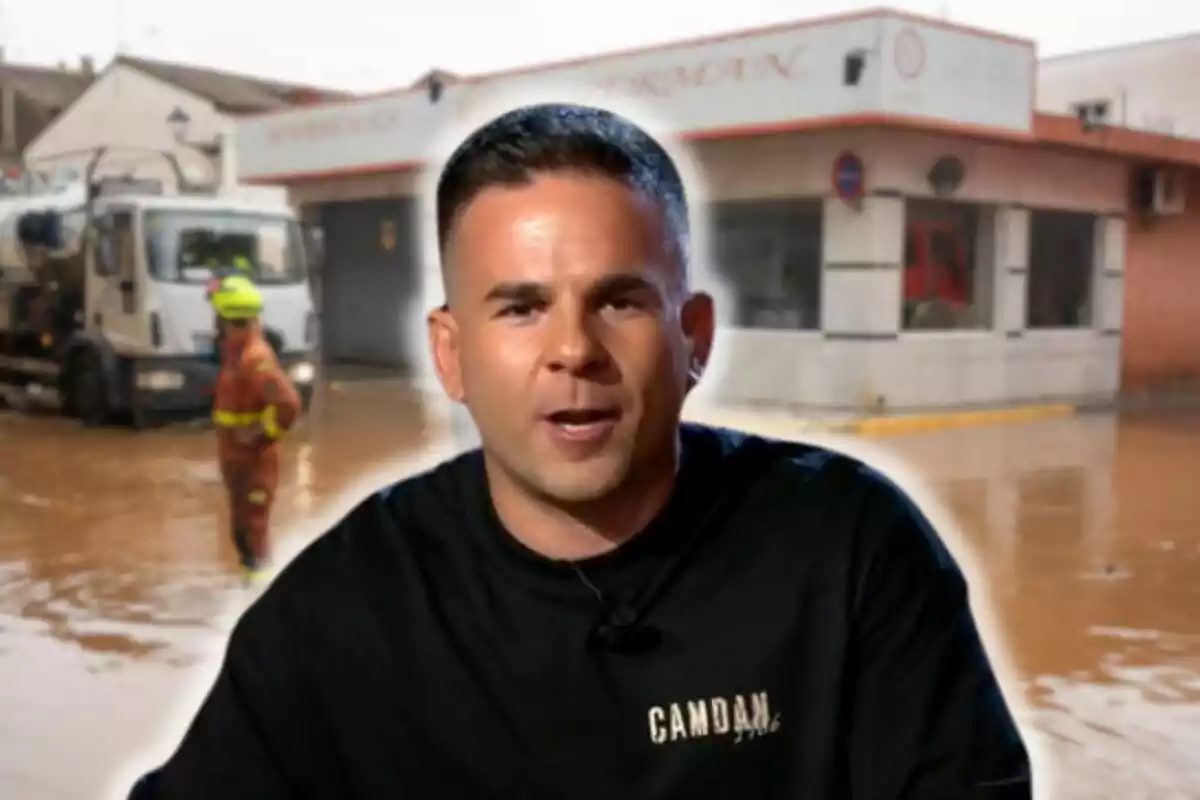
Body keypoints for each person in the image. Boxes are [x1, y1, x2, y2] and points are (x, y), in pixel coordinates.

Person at [128, 103, 1031, 799]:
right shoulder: (336, 616)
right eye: (520, 308)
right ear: (451, 354)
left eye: (621, 301)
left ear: (695, 336)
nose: (574, 350)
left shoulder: (851, 550)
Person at [208, 275, 302, 585]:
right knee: (242, 535)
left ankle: (262, 598)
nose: (216, 325)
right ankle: (248, 590)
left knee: (254, 535)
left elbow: (289, 405)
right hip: (237, 462)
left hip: (253, 464)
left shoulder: (254, 359)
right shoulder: (236, 356)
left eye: (220, 318)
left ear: (231, 321)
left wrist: (257, 436)